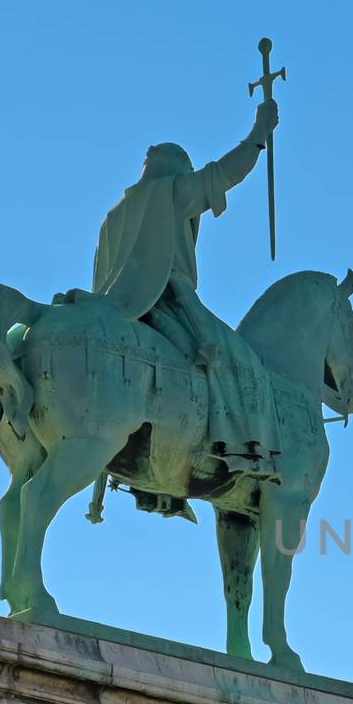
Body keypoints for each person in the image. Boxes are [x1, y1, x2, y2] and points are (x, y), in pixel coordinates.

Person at [88, 98, 283, 475]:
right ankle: (236, 449)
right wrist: (259, 134)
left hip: (112, 306)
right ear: (177, 172)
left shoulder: (114, 215)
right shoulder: (170, 192)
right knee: (234, 358)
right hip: (167, 299)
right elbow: (223, 175)